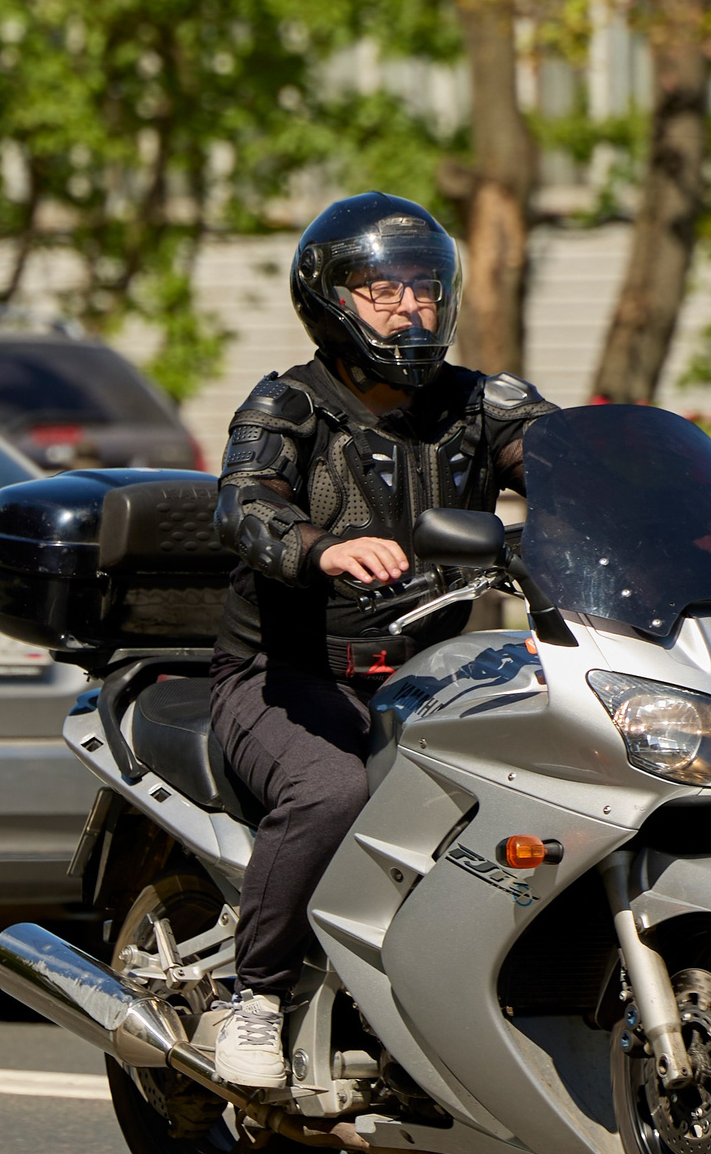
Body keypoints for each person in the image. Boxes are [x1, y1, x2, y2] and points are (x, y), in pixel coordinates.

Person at [207, 192, 555, 1088]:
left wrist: (659, 508)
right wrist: (319, 548)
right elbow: (244, 500)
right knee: (330, 790)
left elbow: (570, 458)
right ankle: (254, 995)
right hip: (285, 675)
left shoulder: (478, 402)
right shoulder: (291, 402)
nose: (409, 307)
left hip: (437, 678)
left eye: (424, 289)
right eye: (381, 289)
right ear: (331, 299)